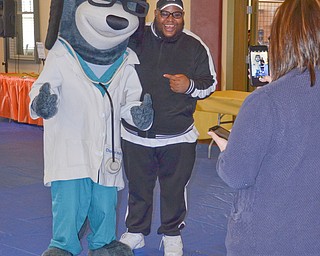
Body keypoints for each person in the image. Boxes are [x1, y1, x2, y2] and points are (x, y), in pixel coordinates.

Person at [208, 0, 320, 255]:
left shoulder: (265, 102)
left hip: (270, 237)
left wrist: (227, 151)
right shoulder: (269, 100)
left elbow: (236, 174)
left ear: (281, 41)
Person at [119, 0, 217, 255]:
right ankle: (136, 232)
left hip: (178, 136)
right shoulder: (135, 38)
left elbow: (210, 84)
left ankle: (172, 234)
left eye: (176, 14)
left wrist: (189, 86)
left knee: (174, 189)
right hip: (135, 134)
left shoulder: (195, 45)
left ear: (183, 16)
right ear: (156, 14)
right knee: (138, 187)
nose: (170, 19)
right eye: (165, 14)